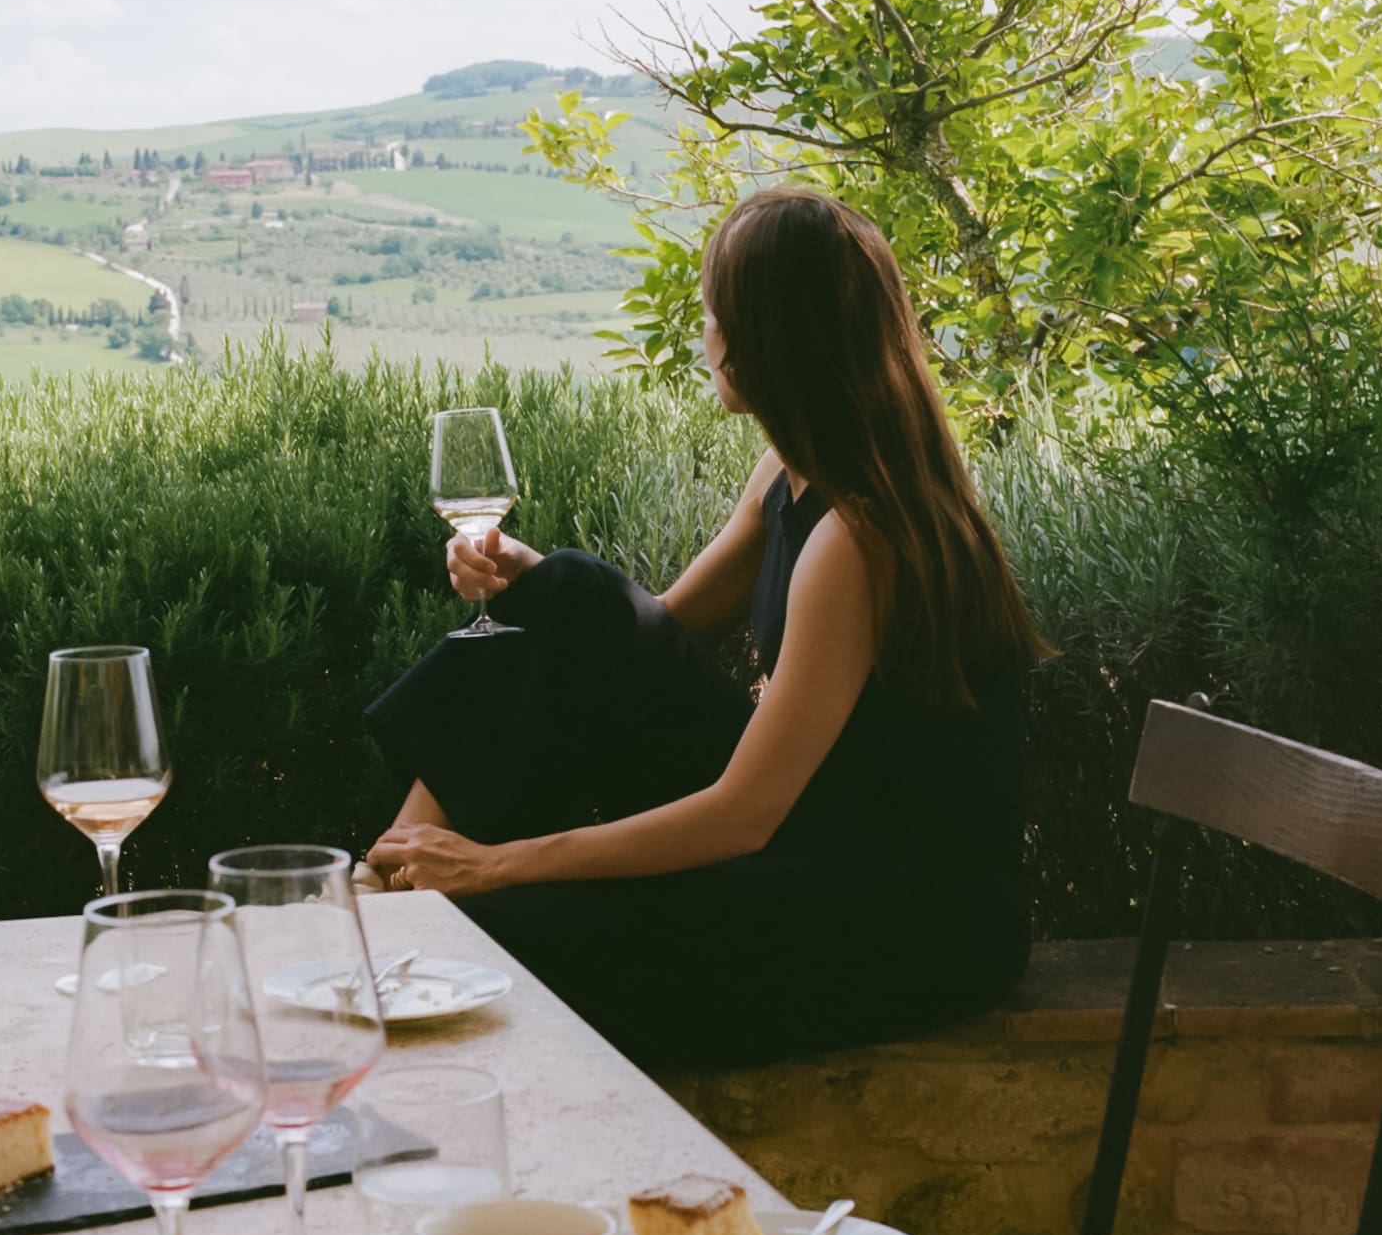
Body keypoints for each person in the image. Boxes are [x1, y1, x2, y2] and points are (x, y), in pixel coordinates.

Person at [361, 186, 1051, 1071]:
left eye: (713, 316)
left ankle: (411, 890)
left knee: (500, 932)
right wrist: (531, 586)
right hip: (812, 844)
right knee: (570, 587)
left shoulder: (859, 537)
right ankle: (394, 876)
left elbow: (740, 818)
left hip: (895, 918)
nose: (705, 339)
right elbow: (640, 642)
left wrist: (496, 865)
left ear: (768, 340)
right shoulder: (789, 470)